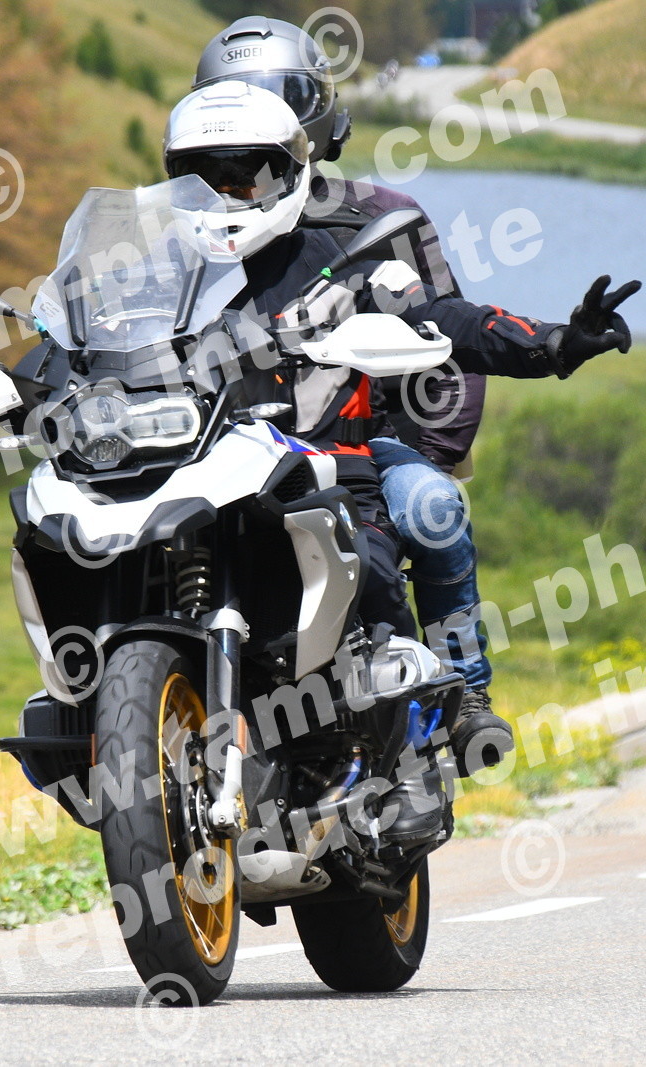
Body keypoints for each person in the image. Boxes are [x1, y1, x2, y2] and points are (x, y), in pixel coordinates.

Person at [163, 80, 641, 839]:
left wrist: (553, 343)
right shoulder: (161, 273)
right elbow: (84, 342)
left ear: (286, 171)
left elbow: (446, 319)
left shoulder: (344, 252)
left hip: (320, 464)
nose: (227, 192)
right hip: (193, 472)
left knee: (377, 557)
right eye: (205, 176)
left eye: (244, 173)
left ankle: (421, 749)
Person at [191, 16, 504, 775]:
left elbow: (449, 344)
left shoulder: (379, 215)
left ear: (316, 119)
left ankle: (462, 693)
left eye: (278, 100)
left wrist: (422, 452)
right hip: (210, 445)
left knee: (429, 507)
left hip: (361, 441)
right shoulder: (180, 235)